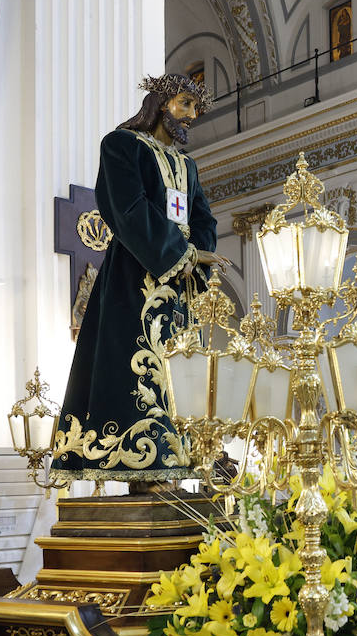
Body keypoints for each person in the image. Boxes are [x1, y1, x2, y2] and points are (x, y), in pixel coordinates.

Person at [52, 73, 229, 487]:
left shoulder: (187, 166)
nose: (191, 115)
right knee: (134, 363)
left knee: (181, 368)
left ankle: (179, 459)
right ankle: (140, 458)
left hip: (179, 288)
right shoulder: (121, 146)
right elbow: (126, 209)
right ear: (161, 102)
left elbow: (203, 218)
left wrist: (198, 254)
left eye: (195, 109)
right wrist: (180, 253)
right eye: (185, 103)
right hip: (135, 275)